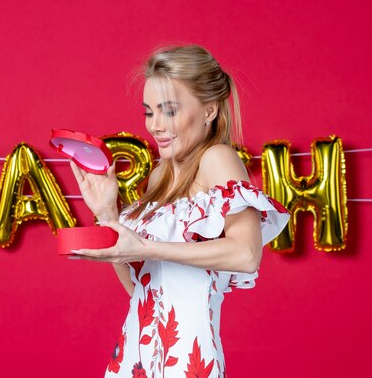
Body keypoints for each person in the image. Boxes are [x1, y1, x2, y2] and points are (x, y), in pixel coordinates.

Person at [69, 45, 290, 378]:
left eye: (169, 111)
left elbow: (247, 254)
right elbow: (143, 290)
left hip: (191, 363)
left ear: (209, 111)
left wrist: (144, 247)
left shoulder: (218, 159)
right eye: (149, 112)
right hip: (135, 358)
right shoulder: (160, 176)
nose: (155, 125)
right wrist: (108, 216)